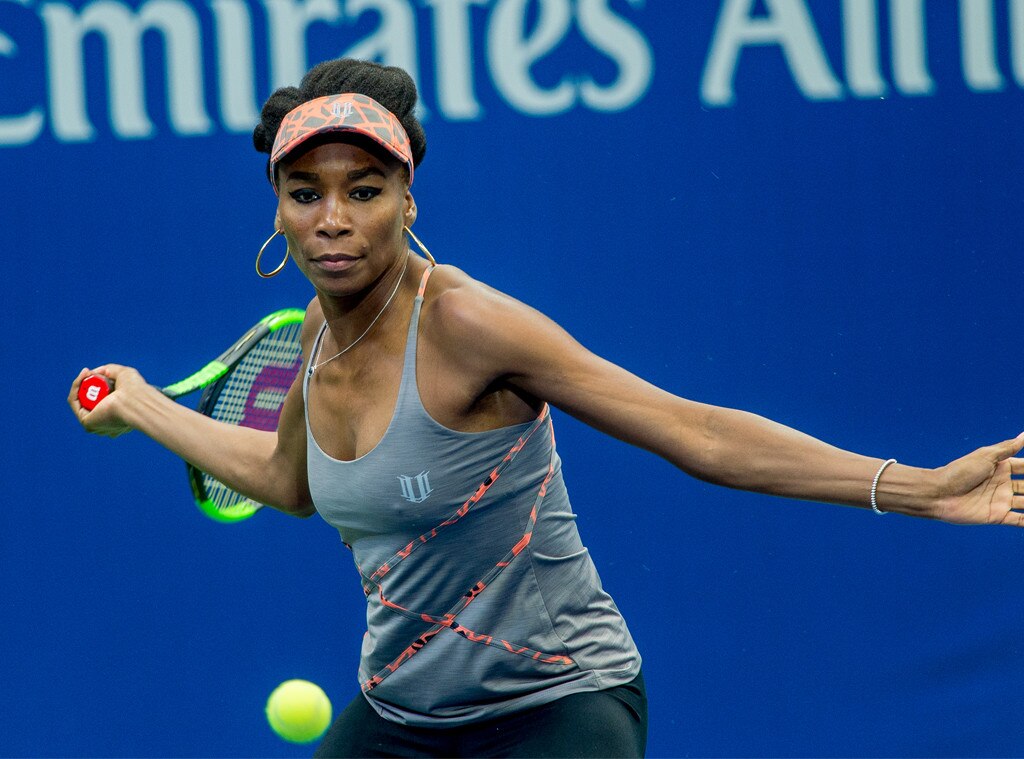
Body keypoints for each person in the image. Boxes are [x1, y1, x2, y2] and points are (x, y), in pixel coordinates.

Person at [68, 57, 1024, 758]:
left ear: (407, 199)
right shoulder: (317, 335)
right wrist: (143, 406)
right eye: (304, 193)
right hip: (399, 715)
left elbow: (692, 429)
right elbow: (288, 481)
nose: (334, 220)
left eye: (364, 190)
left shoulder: (469, 325)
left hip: (559, 707)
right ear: (277, 209)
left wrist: (919, 487)